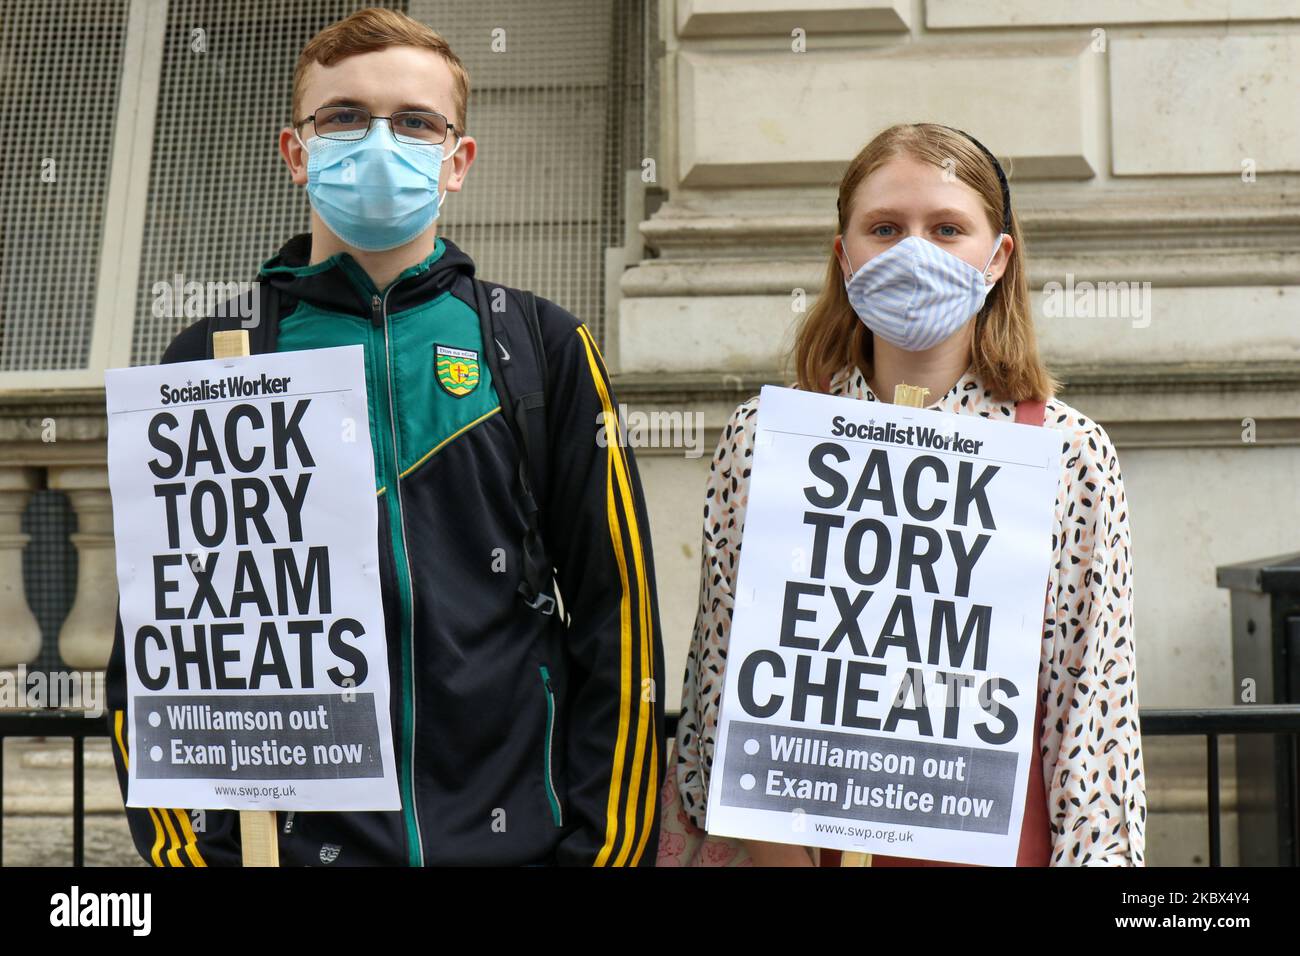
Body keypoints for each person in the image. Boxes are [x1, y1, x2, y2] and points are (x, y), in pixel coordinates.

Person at [106, 7, 664, 867]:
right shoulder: (214, 357)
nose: (378, 141)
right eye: (343, 117)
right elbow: (160, 655)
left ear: (457, 160)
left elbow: (617, 625)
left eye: (414, 122)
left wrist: (603, 854)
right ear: (296, 152)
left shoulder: (541, 347)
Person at [658, 122, 1145, 867]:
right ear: (844, 253)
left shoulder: (1067, 455)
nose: (915, 251)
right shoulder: (766, 442)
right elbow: (724, 684)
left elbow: (1092, 708)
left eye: (947, 229)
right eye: (886, 227)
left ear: (997, 257)